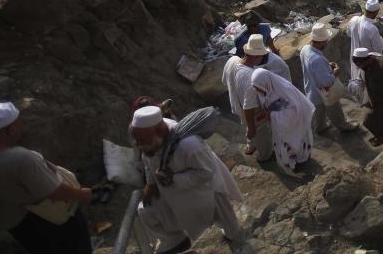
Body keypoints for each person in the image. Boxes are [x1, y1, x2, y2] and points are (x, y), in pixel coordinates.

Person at [0, 103, 93, 254]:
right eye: (17, 125)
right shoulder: (20, 159)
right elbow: (55, 191)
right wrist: (82, 194)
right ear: (10, 130)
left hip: (16, 228)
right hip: (51, 219)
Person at [131, 106, 243, 253]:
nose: (139, 145)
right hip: (173, 194)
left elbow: (206, 172)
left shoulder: (189, 145)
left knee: (232, 232)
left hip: (206, 191)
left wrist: (174, 178)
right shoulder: (147, 137)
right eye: (137, 141)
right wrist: (151, 184)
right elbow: (148, 160)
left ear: (160, 132)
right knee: (146, 211)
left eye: (142, 141)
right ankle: (175, 241)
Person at [250, 69, 314, 175]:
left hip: (292, 126)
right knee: (286, 149)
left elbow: (295, 110)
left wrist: (272, 115)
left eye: (257, 87)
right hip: (281, 128)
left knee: (296, 147)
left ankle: (301, 162)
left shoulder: (284, 90)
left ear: (265, 82)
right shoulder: (267, 89)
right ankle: (292, 162)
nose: (256, 90)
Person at [300, 24, 358, 135]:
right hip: (325, 93)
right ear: (320, 41)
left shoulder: (305, 49)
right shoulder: (316, 59)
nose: (326, 43)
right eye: (325, 41)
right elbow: (326, 82)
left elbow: (313, 68)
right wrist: (335, 72)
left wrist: (326, 65)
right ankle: (344, 126)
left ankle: (320, 128)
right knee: (334, 109)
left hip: (312, 91)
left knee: (319, 112)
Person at [222, 35, 272, 162]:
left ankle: (251, 145)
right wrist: (252, 128)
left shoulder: (232, 60)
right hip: (250, 113)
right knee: (261, 133)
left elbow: (224, 81)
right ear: (256, 56)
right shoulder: (251, 80)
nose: (262, 58)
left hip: (236, 104)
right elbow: (248, 108)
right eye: (261, 55)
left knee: (247, 124)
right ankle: (265, 156)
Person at [351, 48, 383, 147]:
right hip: (376, 100)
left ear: (367, 60)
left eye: (361, 65)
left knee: (369, 122)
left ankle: (381, 135)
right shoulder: (366, 66)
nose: (360, 68)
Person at [348, 0, 383, 83]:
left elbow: (349, 34)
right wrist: (381, 39)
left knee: (357, 83)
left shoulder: (353, 20)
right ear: (375, 12)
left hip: (355, 59)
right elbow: (379, 48)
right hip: (367, 64)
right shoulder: (372, 29)